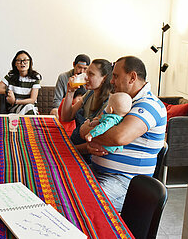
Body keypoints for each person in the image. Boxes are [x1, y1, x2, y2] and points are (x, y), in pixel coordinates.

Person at [79, 56, 167, 212]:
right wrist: (91, 141)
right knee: (59, 187)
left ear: (132, 77)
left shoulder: (149, 105)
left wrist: (86, 131)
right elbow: (99, 128)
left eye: (116, 76)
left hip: (124, 182)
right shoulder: (123, 101)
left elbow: (118, 137)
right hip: (99, 171)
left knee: (78, 205)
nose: (111, 81)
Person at [59, 58, 112, 150]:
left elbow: (97, 139)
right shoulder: (89, 93)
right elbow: (66, 117)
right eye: (86, 73)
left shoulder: (109, 103)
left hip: (88, 154)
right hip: (76, 145)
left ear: (104, 78)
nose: (86, 77)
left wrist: (71, 149)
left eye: (91, 74)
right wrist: (70, 92)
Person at [0, 50, 41, 115]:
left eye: (25, 60)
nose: (22, 63)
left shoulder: (35, 78)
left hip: (30, 107)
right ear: (15, 64)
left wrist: (15, 101)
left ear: (30, 63)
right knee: (28, 110)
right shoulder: (11, 76)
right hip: (15, 108)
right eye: (19, 60)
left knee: (29, 107)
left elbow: (32, 99)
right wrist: (9, 92)